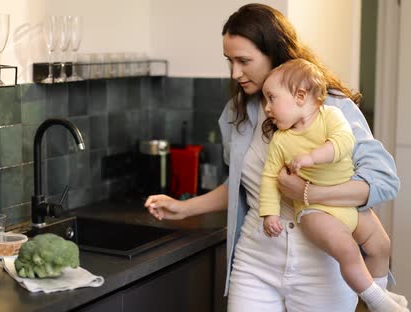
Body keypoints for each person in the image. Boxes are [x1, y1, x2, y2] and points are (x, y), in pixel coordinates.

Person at [144, 3, 402, 311]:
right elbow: (239, 184)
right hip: (256, 261)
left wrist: (310, 193)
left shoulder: (330, 107)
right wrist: (184, 208)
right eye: (229, 61)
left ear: (274, 53)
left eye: (244, 61)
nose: (235, 73)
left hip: (321, 266)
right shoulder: (235, 113)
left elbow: (383, 181)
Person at [258, 58, 406, 312]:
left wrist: (312, 157)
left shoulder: (331, 116)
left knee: (382, 244)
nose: (266, 108)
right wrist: (269, 213)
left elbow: (344, 142)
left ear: (300, 96)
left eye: (271, 98)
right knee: (348, 251)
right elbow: (270, 178)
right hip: (314, 212)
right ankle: (379, 302)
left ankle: (379, 297)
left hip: (348, 205)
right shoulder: (280, 141)